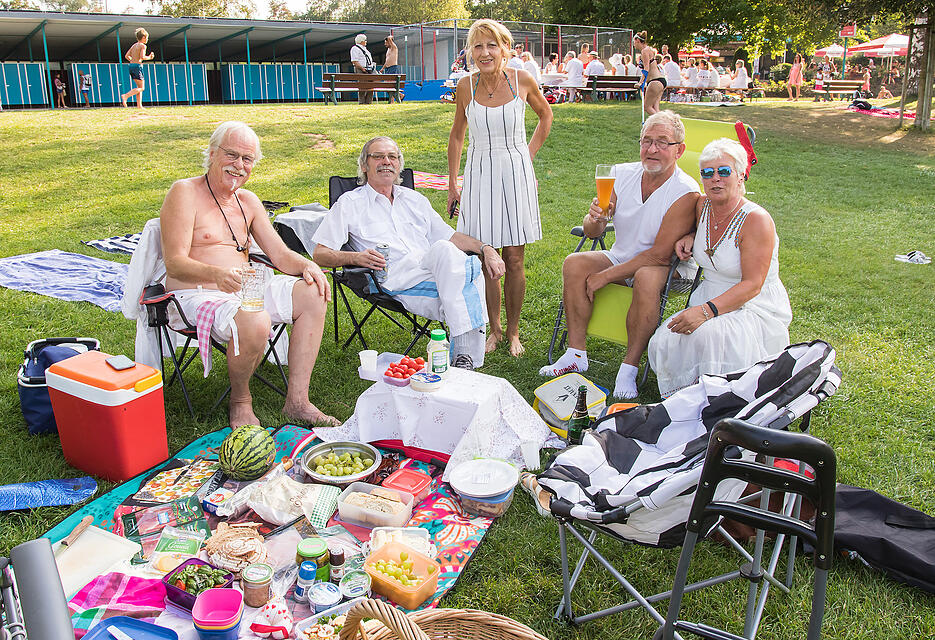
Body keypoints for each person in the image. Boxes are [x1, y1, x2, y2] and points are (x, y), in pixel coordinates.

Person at [160, 121, 336, 428]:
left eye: (247, 159)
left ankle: (297, 401)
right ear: (212, 153)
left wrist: (307, 265)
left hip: (244, 287)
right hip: (197, 290)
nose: (239, 165)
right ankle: (241, 399)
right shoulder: (184, 192)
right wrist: (216, 274)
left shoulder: (248, 201)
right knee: (255, 317)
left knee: (313, 292)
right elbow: (174, 263)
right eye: (232, 155)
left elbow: (280, 256)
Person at [539, 111, 700, 398]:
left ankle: (629, 368)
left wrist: (604, 277)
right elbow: (592, 231)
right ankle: (576, 354)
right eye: (646, 141)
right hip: (623, 256)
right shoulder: (620, 173)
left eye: (662, 142)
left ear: (680, 150)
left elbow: (660, 255)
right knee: (575, 264)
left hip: (670, 268)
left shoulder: (685, 191)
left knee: (646, 277)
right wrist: (596, 218)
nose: (652, 149)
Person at [312, 136, 506, 370]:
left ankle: (463, 361)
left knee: (447, 251)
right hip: (395, 278)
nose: (386, 162)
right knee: (469, 285)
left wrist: (486, 249)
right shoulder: (350, 203)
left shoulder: (415, 200)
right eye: (378, 156)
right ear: (364, 165)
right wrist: (354, 257)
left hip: (433, 268)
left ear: (399, 164)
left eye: (392, 156)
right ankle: (464, 362)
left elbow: (450, 237)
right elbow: (320, 254)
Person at [648, 138, 791, 397]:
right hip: (709, 293)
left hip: (752, 306)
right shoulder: (703, 207)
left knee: (704, 338)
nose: (715, 179)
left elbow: (753, 284)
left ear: (740, 176)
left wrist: (705, 312)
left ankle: (715, 398)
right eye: (707, 173)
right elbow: (708, 234)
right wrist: (691, 236)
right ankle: (687, 398)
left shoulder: (756, 220)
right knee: (665, 339)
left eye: (724, 171)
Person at [447, 19, 553, 358]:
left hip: (516, 172)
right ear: (470, 52)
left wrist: (527, 157)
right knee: (486, 255)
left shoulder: (523, 80)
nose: (484, 52)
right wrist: (452, 183)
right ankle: (493, 330)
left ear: (505, 49)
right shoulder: (466, 86)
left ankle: (514, 332)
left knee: (515, 258)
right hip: (478, 174)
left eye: (491, 45)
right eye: (477, 46)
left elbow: (545, 116)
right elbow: (457, 135)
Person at [120, 28, 154, 109]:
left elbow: (126, 56)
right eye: (146, 38)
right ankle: (126, 96)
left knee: (139, 87)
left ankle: (139, 105)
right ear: (143, 37)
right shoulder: (143, 46)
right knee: (142, 88)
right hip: (137, 67)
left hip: (131, 66)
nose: (147, 39)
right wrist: (150, 57)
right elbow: (142, 57)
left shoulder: (134, 45)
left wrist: (133, 61)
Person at [633, 31, 665, 115]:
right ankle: (663, 124)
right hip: (660, 81)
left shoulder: (644, 51)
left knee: (647, 107)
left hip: (655, 81)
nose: (634, 45)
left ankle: (663, 124)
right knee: (655, 108)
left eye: (634, 42)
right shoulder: (649, 49)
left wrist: (640, 82)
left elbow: (646, 68)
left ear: (637, 41)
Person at [350, 33, 376, 104]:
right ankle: (362, 102)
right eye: (365, 40)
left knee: (371, 87)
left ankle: (368, 102)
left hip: (369, 69)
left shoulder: (365, 49)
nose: (366, 41)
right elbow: (355, 61)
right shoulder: (355, 48)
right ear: (361, 41)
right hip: (361, 69)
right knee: (362, 87)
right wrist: (362, 69)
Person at [380, 35, 400, 103]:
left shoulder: (394, 47)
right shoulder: (388, 50)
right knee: (387, 85)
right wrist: (383, 68)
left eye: (386, 42)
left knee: (390, 85)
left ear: (390, 42)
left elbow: (389, 38)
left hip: (393, 68)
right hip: (388, 69)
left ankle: (400, 95)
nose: (385, 44)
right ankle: (392, 100)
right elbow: (387, 61)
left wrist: (390, 38)